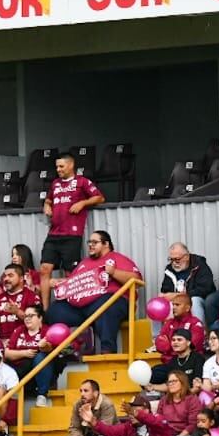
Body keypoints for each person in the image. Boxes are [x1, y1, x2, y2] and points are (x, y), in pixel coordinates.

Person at [47, 230, 142, 354]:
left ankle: (107, 350)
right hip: (83, 308)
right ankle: (69, 348)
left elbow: (137, 279)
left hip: (109, 303)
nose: (90, 245)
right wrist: (58, 282)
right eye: (89, 242)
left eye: (94, 242)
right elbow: (73, 283)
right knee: (54, 310)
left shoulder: (116, 258)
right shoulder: (84, 263)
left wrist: (114, 272)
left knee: (107, 304)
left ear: (106, 244)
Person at [39, 150, 104, 306]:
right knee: (44, 269)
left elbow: (100, 197)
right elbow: (49, 200)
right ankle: (45, 310)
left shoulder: (82, 182)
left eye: (61, 166)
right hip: (54, 234)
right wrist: (47, 205)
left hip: (72, 235)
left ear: (71, 165)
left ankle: (71, 305)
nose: (59, 170)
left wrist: (83, 203)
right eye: (57, 167)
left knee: (71, 273)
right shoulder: (55, 184)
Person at [159, 242, 216, 325]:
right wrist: (163, 296)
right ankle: (159, 336)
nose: (174, 263)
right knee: (158, 303)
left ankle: (199, 330)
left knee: (194, 300)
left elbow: (205, 289)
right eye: (171, 259)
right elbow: (165, 289)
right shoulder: (169, 269)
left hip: (198, 301)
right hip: (177, 302)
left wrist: (178, 296)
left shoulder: (199, 265)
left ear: (186, 257)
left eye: (177, 259)